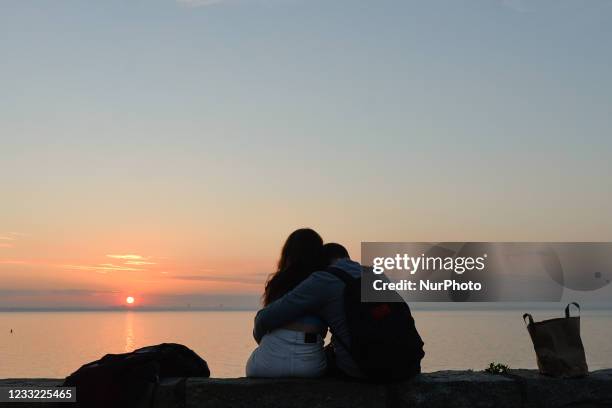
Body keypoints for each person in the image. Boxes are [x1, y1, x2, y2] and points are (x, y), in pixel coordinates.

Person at [254, 242, 424, 380]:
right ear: (347, 258)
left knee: (315, 359)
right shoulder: (375, 274)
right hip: (406, 365)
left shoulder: (323, 279)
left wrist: (262, 338)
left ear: (322, 264)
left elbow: (267, 317)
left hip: (363, 369)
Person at [246, 228, 328, 378]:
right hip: (310, 365)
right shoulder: (324, 283)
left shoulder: (278, 283)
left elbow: (262, 324)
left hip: (267, 362)